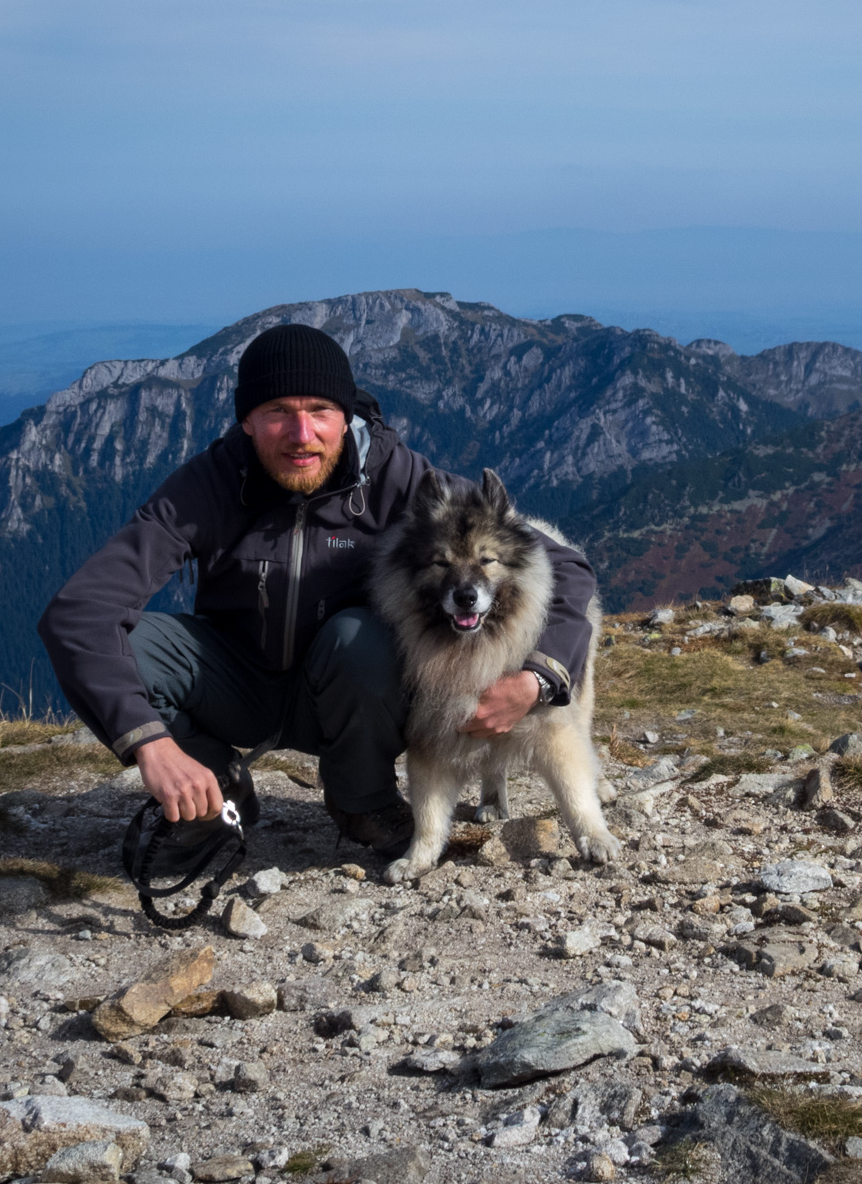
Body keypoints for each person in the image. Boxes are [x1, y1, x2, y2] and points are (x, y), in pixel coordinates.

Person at [37, 323, 596, 852]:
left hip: (347, 693)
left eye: (320, 411)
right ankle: (213, 787)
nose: (301, 435)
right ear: (247, 420)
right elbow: (79, 610)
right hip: (236, 683)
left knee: (361, 638)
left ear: (345, 413)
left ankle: (365, 804)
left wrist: (538, 679)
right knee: (134, 647)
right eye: (277, 411)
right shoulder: (209, 484)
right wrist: (149, 744)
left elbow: (566, 569)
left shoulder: (397, 477)